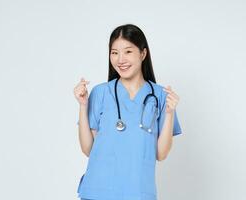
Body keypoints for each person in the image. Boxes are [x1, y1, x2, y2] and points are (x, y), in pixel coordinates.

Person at [73, 24, 182, 200]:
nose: (120, 59)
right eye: (114, 52)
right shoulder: (100, 93)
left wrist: (169, 113)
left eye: (128, 52)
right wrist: (83, 105)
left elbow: (161, 154)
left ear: (143, 53)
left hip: (139, 192)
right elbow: (88, 149)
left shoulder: (161, 96)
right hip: (97, 191)